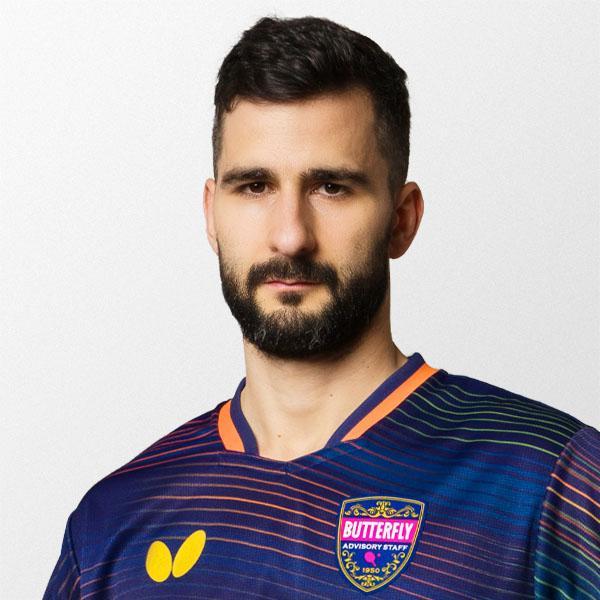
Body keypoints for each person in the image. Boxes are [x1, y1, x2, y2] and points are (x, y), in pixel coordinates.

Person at [44, 15, 599, 599]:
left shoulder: (544, 484)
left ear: (401, 219)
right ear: (211, 215)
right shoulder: (112, 526)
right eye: (254, 186)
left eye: (331, 187)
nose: (290, 236)